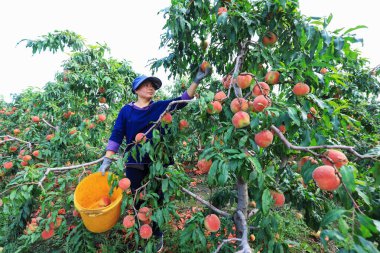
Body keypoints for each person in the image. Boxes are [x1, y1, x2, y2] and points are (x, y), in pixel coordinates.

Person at [98, 64, 211, 252]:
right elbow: (117, 134)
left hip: (158, 162)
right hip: (134, 162)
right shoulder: (126, 111)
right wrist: (107, 160)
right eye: (146, 85)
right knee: (137, 200)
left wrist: (196, 80)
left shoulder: (159, 107)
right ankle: (142, 237)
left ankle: (157, 234)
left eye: (153, 85)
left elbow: (182, 100)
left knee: (157, 198)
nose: (151, 88)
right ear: (136, 89)